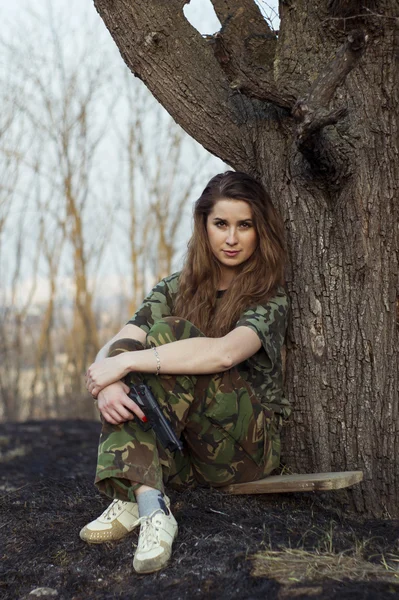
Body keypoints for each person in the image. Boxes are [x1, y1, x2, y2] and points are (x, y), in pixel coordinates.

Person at [80, 171, 290, 574]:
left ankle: (140, 500)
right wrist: (107, 382)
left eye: (244, 225)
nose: (232, 238)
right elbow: (121, 339)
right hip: (185, 449)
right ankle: (144, 500)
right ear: (204, 226)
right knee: (141, 346)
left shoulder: (270, 296)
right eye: (221, 224)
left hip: (245, 449)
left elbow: (224, 354)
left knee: (169, 334)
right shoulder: (178, 286)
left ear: (260, 230)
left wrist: (124, 364)